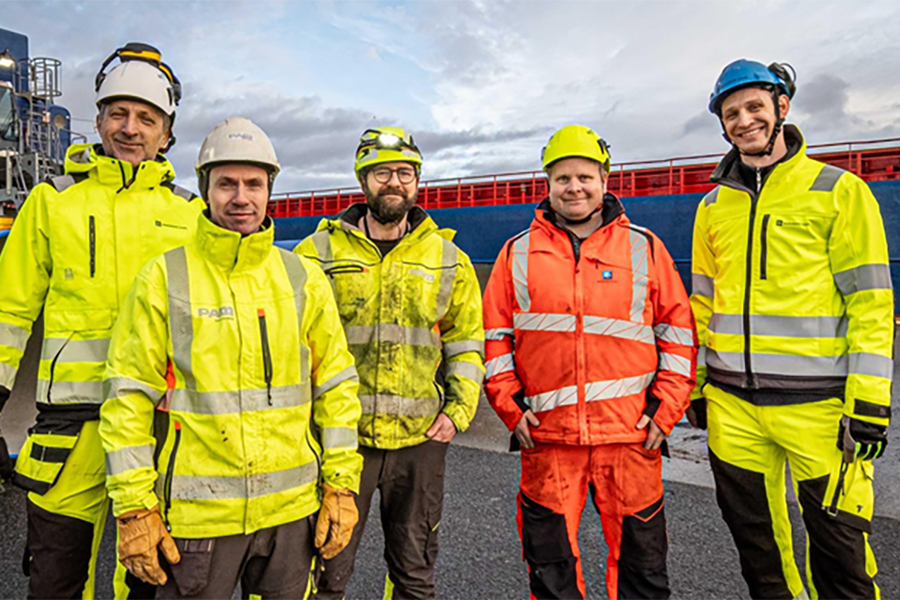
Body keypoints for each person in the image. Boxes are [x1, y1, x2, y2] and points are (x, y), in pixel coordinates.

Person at [99, 117, 363, 599]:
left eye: (253, 183)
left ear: (269, 191)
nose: (241, 197)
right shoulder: (165, 278)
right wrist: (135, 510)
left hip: (291, 516)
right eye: (226, 183)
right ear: (205, 190)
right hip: (198, 522)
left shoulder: (301, 278)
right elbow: (127, 400)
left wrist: (342, 486)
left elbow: (337, 388)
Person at [0, 43, 203, 599]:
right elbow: (8, 309)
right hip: (71, 427)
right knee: (57, 580)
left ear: (166, 132)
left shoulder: (191, 214)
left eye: (147, 117)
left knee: (149, 580)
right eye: (119, 113)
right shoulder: (52, 202)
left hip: (159, 426)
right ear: (98, 120)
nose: (130, 128)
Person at [690, 59, 892, 599]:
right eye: (731, 113)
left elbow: (871, 305)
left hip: (820, 412)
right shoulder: (711, 206)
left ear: (782, 106)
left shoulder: (838, 191)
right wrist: (695, 384)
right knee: (762, 559)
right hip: (733, 411)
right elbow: (702, 305)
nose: (744, 120)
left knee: (842, 559)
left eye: (755, 106)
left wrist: (870, 402)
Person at [483, 125, 696, 600]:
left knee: (644, 570)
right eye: (562, 178)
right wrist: (511, 410)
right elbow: (495, 340)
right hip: (548, 438)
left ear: (604, 179)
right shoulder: (517, 253)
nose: (573, 187)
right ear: (548, 184)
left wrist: (666, 411)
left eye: (584, 177)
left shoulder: (644, 248)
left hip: (631, 438)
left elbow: (678, 336)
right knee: (551, 570)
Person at [295, 126, 484, 599]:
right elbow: (291, 344)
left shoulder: (448, 260)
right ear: (363, 181)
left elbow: (466, 341)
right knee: (325, 570)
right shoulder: (315, 255)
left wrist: (458, 411)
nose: (394, 182)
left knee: (415, 572)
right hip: (340, 440)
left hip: (419, 440)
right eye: (382, 172)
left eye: (405, 172)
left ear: (417, 181)